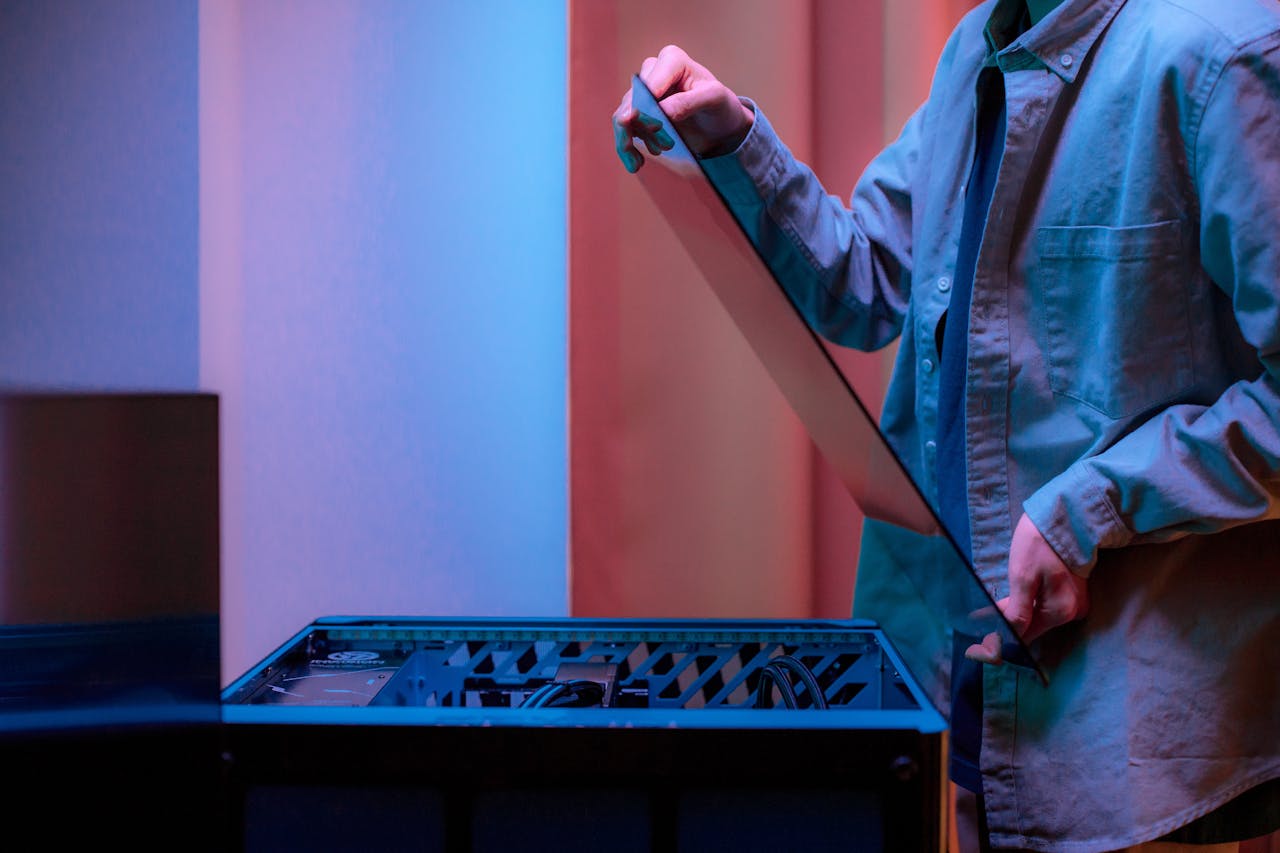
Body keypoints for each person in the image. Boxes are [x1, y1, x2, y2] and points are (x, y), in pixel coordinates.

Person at [612, 0, 1280, 851]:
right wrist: (731, 138)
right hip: (982, 703)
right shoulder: (979, 47)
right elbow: (865, 282)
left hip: (1144, 751)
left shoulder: (1220, 53)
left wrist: (1091, 507)